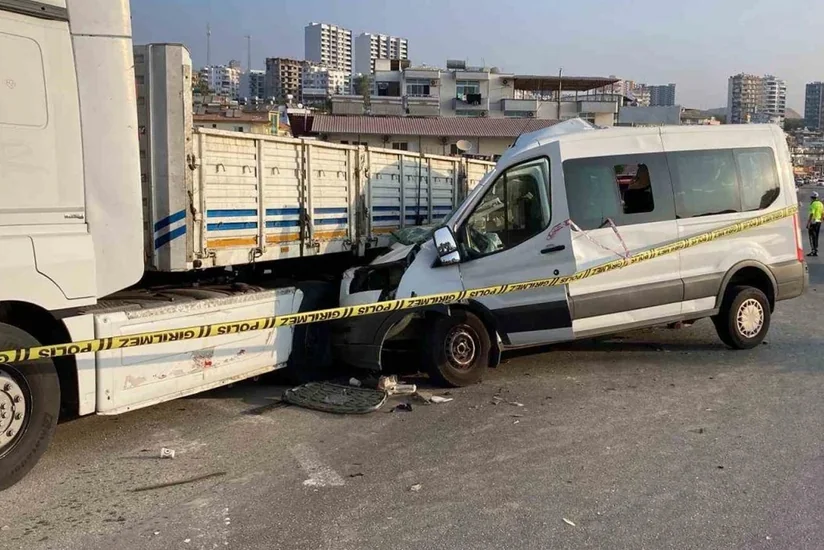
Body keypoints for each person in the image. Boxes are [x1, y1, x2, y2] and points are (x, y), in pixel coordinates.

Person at [808, 191, 823, 257]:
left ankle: (813, 251)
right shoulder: (821, 203)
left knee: (811, 236)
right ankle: (816, 250)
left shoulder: (813, 204)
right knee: (816, 236)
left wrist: (808, 222)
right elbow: (823, 213)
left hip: (813, 222)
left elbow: (812, 214)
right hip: (818, 222)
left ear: (812, 198)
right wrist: (821, 220)